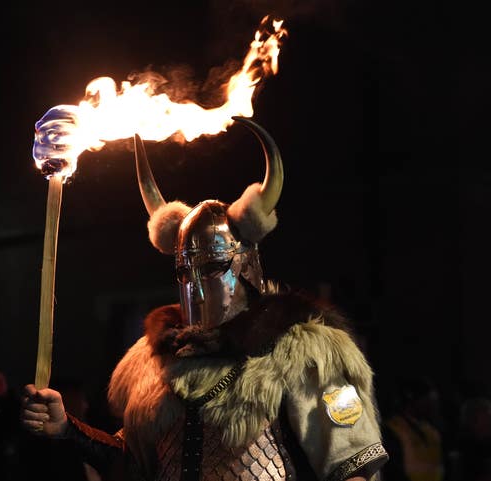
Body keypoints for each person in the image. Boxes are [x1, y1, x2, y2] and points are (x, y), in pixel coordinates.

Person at [21, 117, 389, 480]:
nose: (194, 286)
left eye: (211, 268)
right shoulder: (153, 362)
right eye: (184, 271)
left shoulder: (303, 352)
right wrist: (67, 429)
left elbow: (352, 466)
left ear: (245, 266)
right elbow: (135, 463)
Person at [380, 376, 444, 481]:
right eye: (427, 401)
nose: (433, 406)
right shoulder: (392, 429)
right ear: (412, 400)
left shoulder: (432, 429)